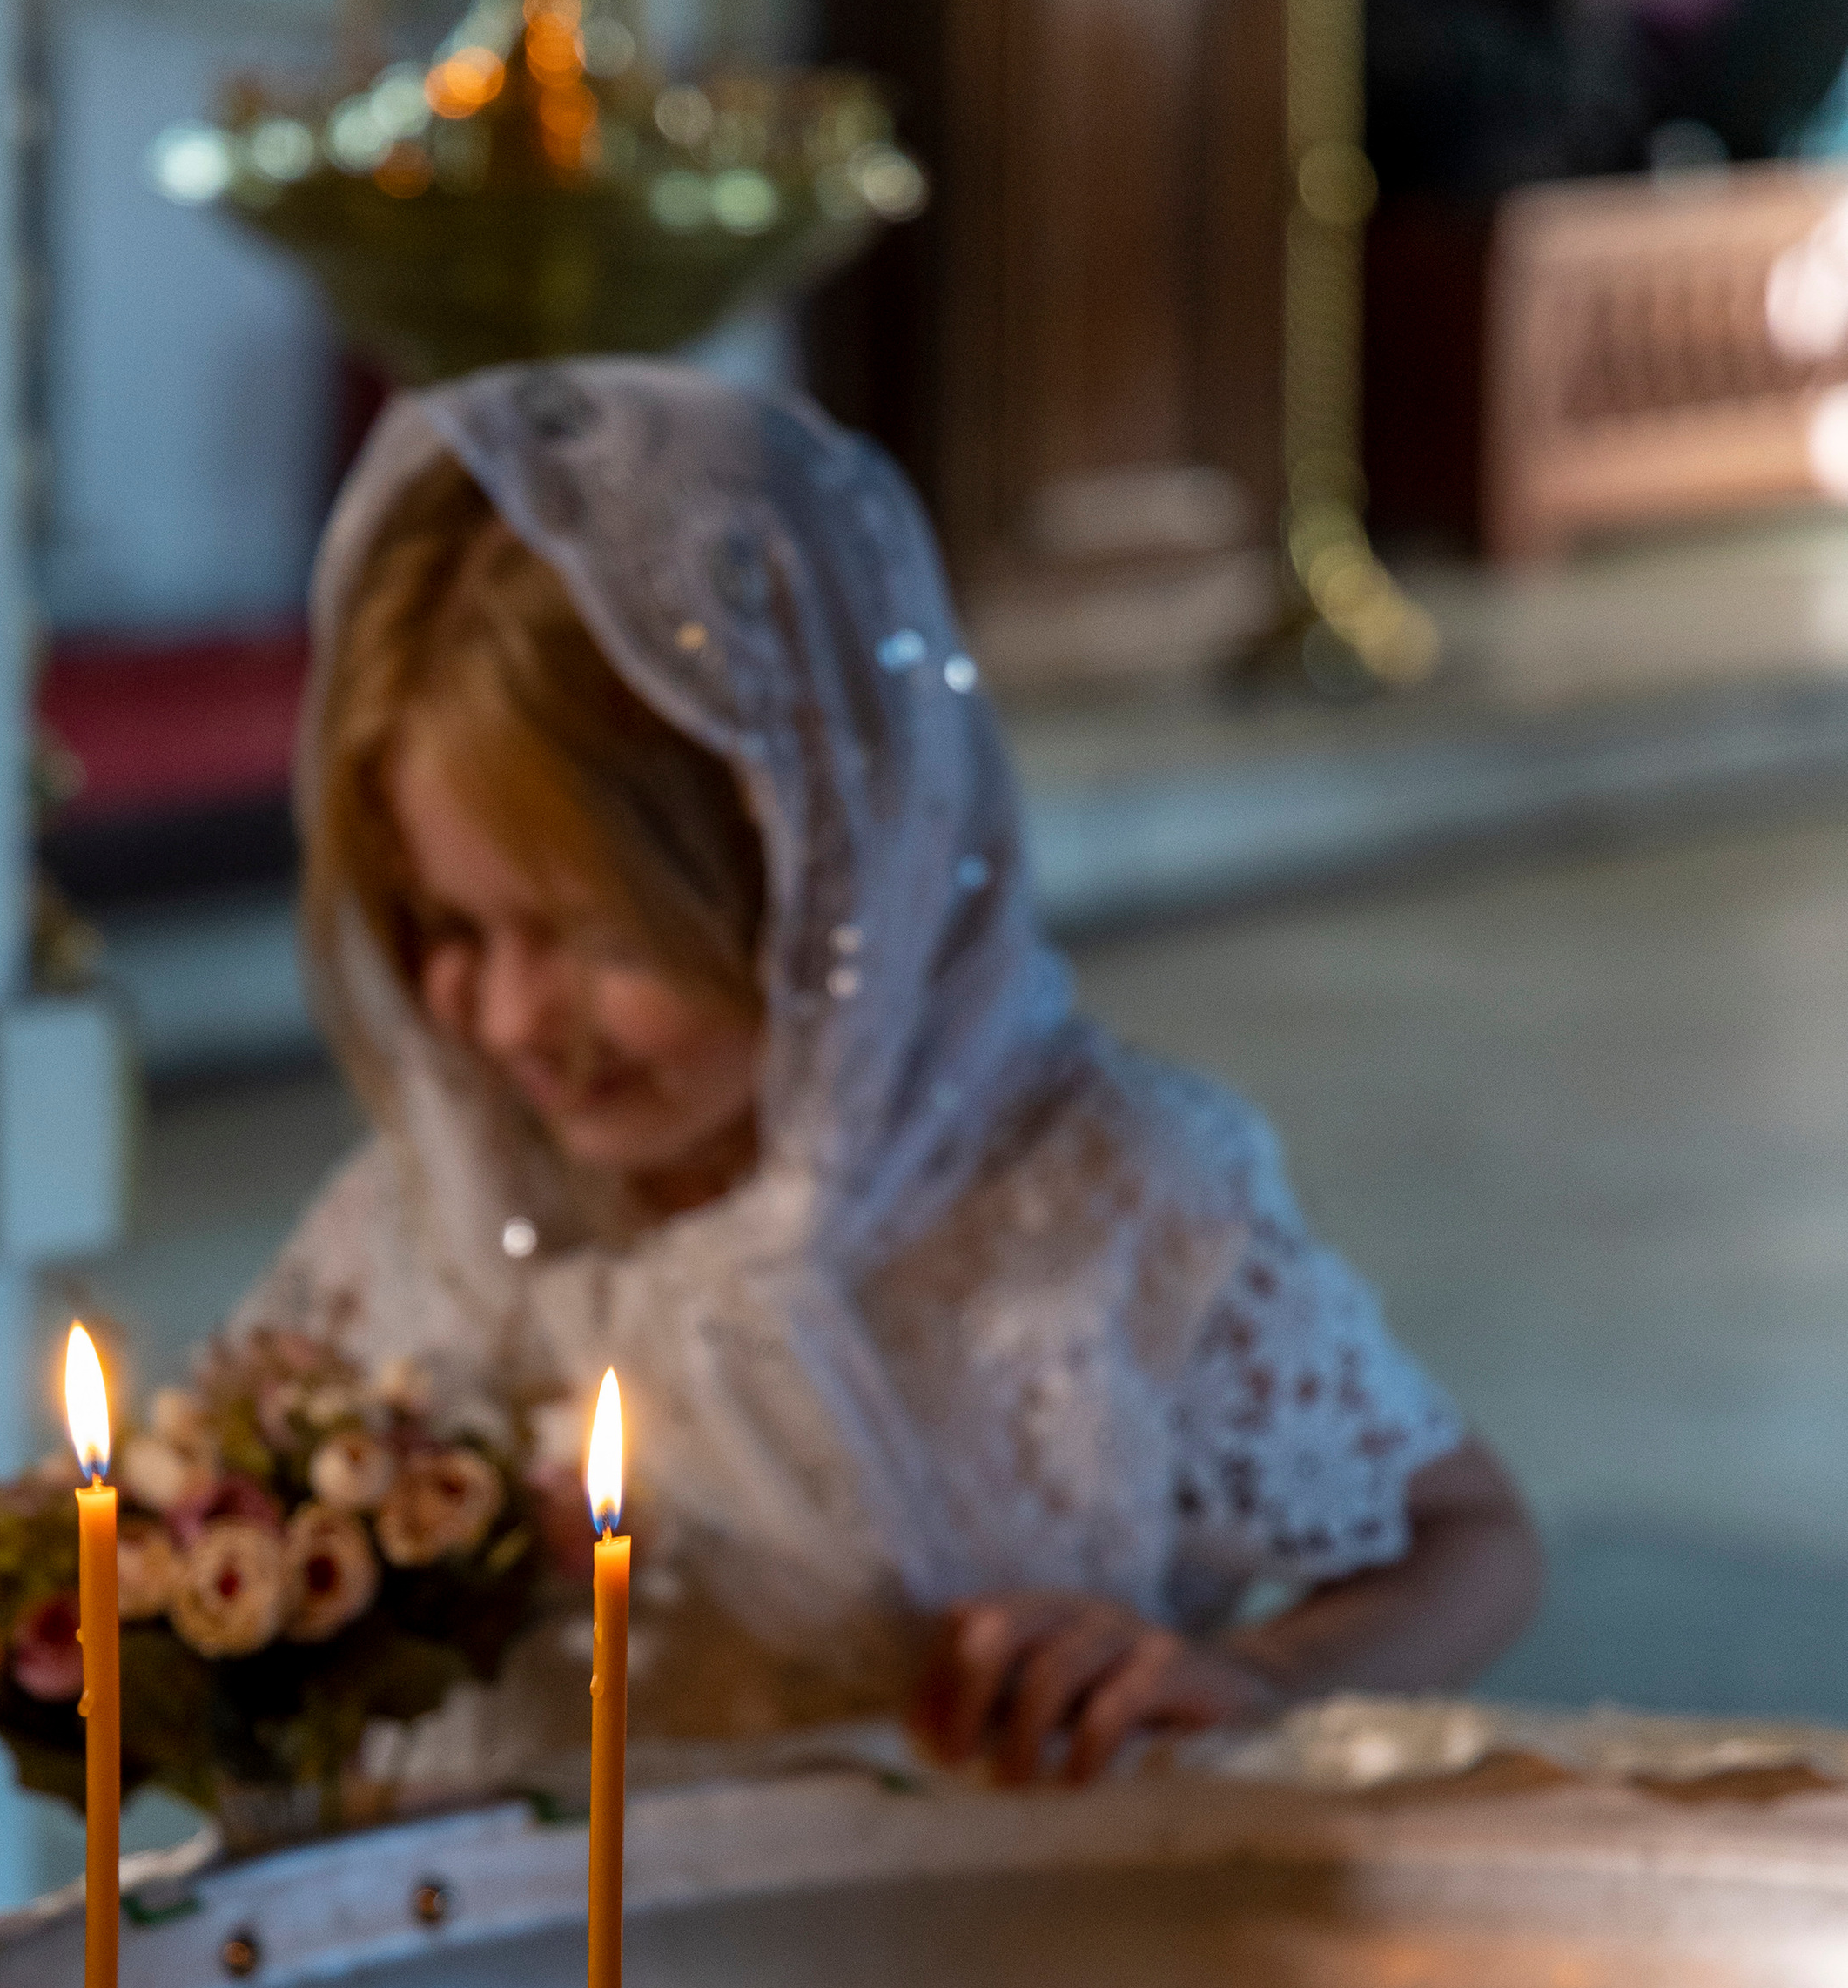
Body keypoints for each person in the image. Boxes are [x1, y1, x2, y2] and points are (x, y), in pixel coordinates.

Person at [246, 359, 1541, 1786]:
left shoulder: (1100, 1197)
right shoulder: (433, 1219)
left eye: (591, 937)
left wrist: (1243, 1671)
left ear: (817, 876)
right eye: (444, 928)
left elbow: (1470, 1541)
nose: (500, 1017)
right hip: (567, 1983)